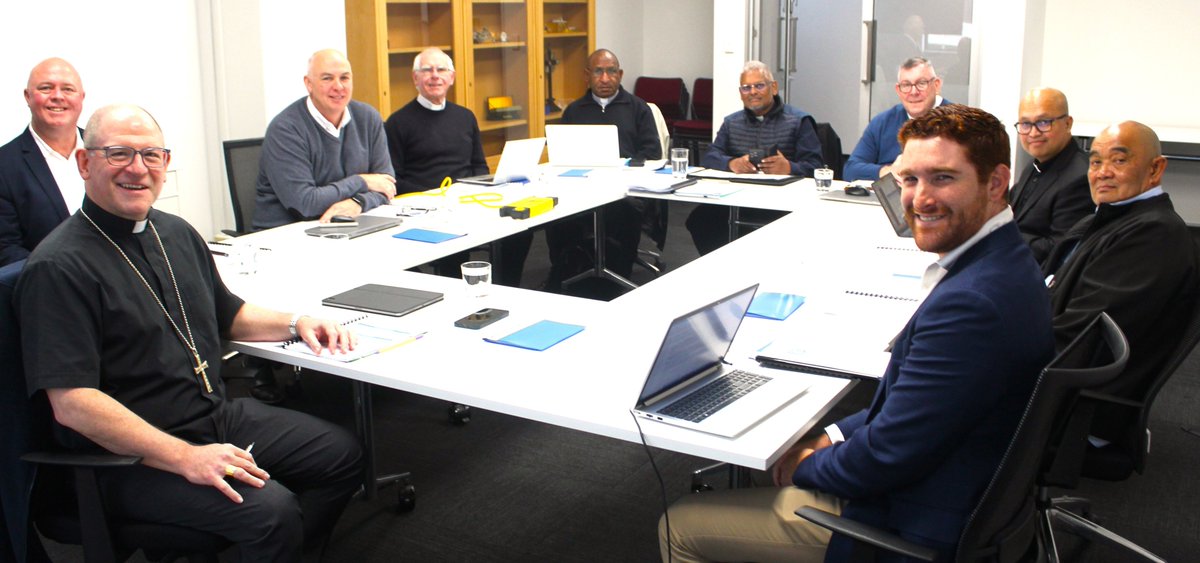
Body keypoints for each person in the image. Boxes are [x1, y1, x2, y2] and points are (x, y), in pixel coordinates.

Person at [660, 105, 1054, 562]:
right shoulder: (1000, 261)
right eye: (909, 179)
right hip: (956, 475)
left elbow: (887, 456)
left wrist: (809, 466)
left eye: (943, 178)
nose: (919, 198)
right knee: (783, 446)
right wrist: (830, 435)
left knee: (679, 526)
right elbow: (907, 410)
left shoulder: (974, 305)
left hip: (915, 519)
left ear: (996, 182)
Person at [16, 104, 364, 562]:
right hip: (128, 456)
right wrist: (185, 457)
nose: (138, 169)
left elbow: (228, 315)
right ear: (85, 163)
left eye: (151, 155)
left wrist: (294, 321)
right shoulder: (58, 266)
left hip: (210, 415)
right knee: (271, 512)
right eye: (119, 153)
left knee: (341, 456)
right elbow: (73, 405)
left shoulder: (175, 233)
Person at [1044, 121, 1199, 440]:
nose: (1102, 172)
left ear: (1155, 169)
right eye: (1096, 161)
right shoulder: (1108, 219)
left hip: (1072, 403)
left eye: (1119, 160)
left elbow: (1080, 339)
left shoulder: (1153, 236)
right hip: (1058, 379)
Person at [384, 47, 530, 285]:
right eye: (427, 70)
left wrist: (474, 194)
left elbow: (479, 166)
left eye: (441, 69)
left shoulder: (465, 116)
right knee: (452, 246)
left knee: (520, 229)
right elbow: (394, 177)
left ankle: (508, 288)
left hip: (467, 201)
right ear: (415, 78)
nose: (434, 75)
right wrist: (433, 197)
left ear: (451, 77)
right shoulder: (398, 122)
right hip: (425, 206)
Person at [546, 48, 661, 287]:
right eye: (598, 72)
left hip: (624, 188)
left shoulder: (638, 108)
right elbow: (561, 155)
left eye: (611, 72)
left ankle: (618, 274)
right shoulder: (575, 111)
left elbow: (652, 153)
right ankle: (565, 269)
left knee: (624, 210)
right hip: (582, 186)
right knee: (553, 209)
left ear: (620, 74)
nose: (605, 79)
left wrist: (626, 167)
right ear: (587, 75)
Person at [685, 60, 823, 255]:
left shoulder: (799, 121)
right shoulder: (732, 122)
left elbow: (817, 167)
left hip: (783, 201)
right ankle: (725, 267)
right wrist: (732, 163)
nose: (753, 92)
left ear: (773, 88)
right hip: (739, 197)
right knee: (699, 220)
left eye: (759, 85)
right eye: (746, 88)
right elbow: (710, 157)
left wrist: (789, 168)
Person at [254, 49, 396, 231]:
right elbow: (306, 203)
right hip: (288, 234)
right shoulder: (286, 129)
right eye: (327, 78)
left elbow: (386, 186)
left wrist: (358, 202)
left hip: (347, 227)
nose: (338, 87)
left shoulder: (368, 118)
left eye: (344, 78)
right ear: (309, 84)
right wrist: (362, 181)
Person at [0, 58, 86, 266]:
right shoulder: (4, 165)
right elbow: (6, 249)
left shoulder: (108, 151)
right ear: (27, 97)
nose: (57, 96)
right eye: (46, 88)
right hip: (49, 290)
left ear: (81, 98)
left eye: (68, 89)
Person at [1010, 87, 1093, 263]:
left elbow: (1059, 251)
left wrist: (1000, 231)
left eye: (1043, 122)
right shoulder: (1036, 164)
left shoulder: (1080, 177)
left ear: (1068, 123)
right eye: (1025, 124)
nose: (1033, 133)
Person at [843, 57, 950, 182]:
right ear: (898, 90)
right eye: (906, 85)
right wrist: (888, 171)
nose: (913, 92)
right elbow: (850, 170)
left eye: (921, 83)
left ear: (936, 85)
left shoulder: (958, 123)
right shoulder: (882, 122)